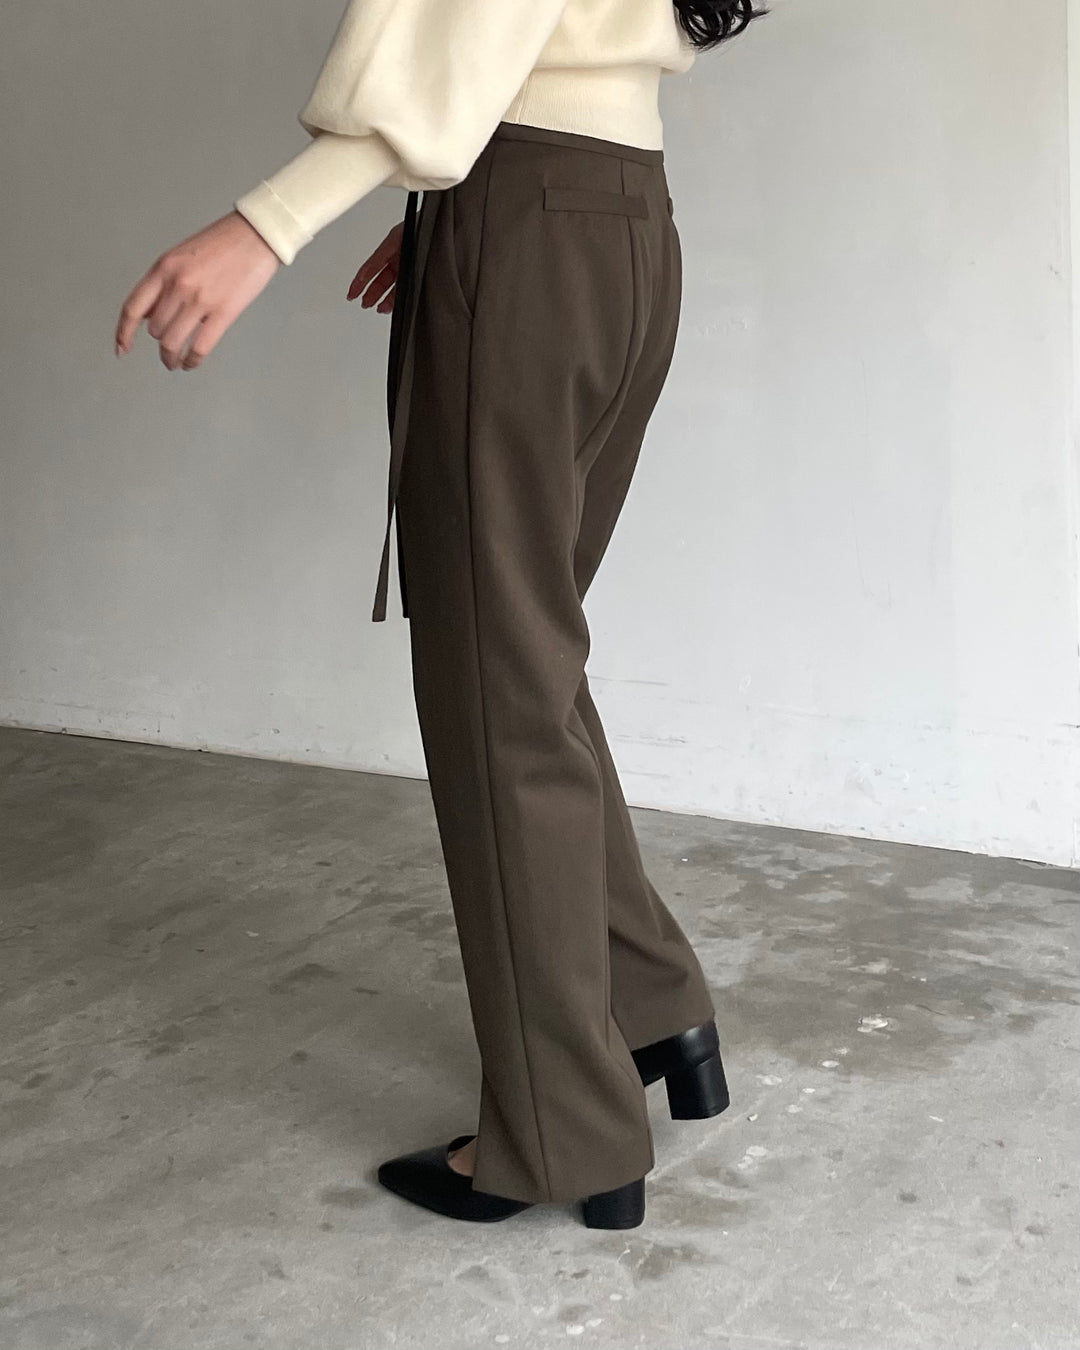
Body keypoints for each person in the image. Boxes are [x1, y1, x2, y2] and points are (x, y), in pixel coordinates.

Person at [114, 0, 767, 1229]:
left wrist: (269, 222)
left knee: (499, 693)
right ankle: (652, 1007)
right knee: (528, 668)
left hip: (527, 230)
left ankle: (570, 1137)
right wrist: (456, 195)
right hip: (623, 217)